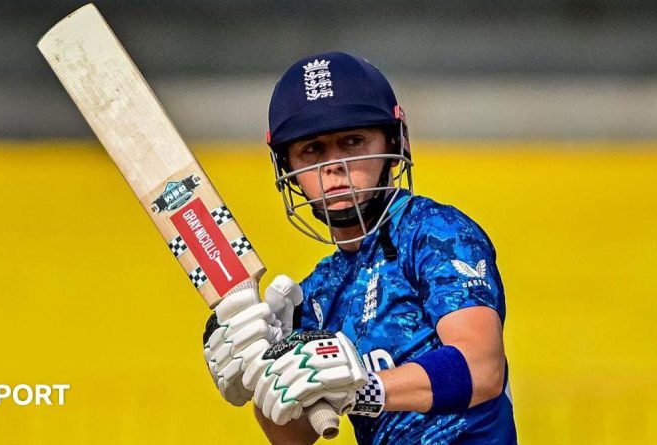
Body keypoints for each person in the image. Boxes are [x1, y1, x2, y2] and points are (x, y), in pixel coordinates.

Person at [203, 51, 516, 444]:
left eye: (352, 141)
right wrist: (262, 371)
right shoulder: (318, 293)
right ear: (289, 170)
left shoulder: (435, 233)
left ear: (393, 142)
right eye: (312, 149)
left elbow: (482, 369)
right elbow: (295, 436)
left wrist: (364, 389)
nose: (333, 166)